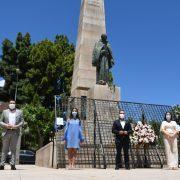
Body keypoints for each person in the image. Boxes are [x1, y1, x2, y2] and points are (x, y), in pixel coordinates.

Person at [0, 100, 24, 170]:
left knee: (13, 149)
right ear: (9, 104)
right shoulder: (4, 112)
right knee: (4, 149)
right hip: (6, 132)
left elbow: (22, 121)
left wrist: (16, 126)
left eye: (13, 103)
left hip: (15, 132)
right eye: (11, 103)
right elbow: (0, 121)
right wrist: (6, 125)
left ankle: (13, 165)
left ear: (15, 104)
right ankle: (2, 164)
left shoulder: (20, 112)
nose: (12, 104)